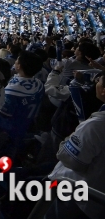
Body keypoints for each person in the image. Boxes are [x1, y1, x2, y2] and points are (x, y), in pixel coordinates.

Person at [46, 70, 105, 219]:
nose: (96, 83)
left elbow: (69, 158)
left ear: (104, 91)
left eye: (99, 81)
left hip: (74, 195)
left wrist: (69, 139)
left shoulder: (96, 125)